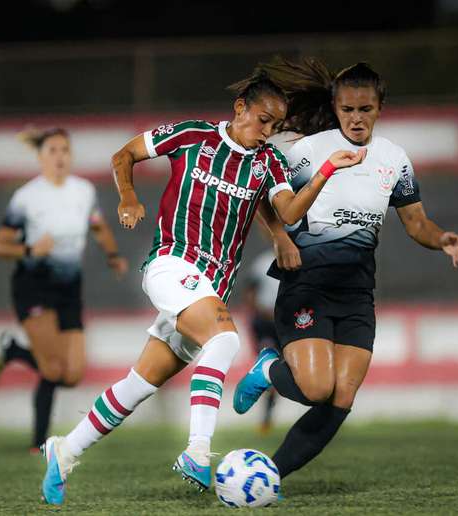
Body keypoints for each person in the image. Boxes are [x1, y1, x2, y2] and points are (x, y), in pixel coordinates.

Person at [39, 58, 368, 505]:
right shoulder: (193, 136)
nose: (266, 132)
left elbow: (287, 211)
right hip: (172, 266)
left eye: (273, 126)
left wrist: (324, 173)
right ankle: (197, 451)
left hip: (210, 285)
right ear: (239, 108)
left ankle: (64, 450)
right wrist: (129, 197)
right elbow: (126, 154)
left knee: (140, 383)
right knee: (226, 340)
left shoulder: (266, 161)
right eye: (262, 121)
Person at [233, 61, 458, 485]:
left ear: (380, 107)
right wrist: (281, 239)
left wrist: (442, 239)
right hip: (307, 283)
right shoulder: (306, 152)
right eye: (348, 109)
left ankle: (269, 475)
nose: (357, 118)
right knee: (314, 388)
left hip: (357, 292)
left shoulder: (394, 160)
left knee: (341, 397)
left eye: (365, 109)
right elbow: (260, 198)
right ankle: (268, 369)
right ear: (335, 107)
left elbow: (416, 223)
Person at [0, 127, 128, 454]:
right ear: (40, 157)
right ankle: (39, 443)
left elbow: (98, 226)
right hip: (33, 286)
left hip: (68, 288)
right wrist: (29, 249)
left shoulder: (83, 191)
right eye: (52, 150)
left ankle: (13, 351)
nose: (60, 156)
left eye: (65, 149)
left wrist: (113, 255)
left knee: (73, 374)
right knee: (52, 368)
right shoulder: (26, 197)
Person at [243, 247, 292, 434]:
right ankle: (265, 417)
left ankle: (267, 418)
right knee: (268, 366)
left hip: (285, 322)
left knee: (279, 369)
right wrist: (255, 314)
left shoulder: (294, 259)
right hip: (265, 323)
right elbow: (250, 292)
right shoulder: (263, 262)